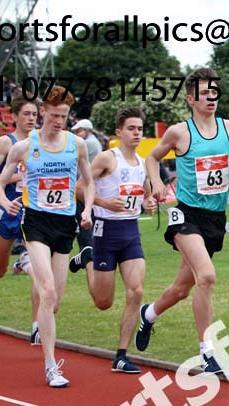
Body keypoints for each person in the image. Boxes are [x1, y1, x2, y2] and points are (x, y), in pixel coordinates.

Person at [137, 67, 229, 375]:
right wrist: (156, 182)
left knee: (180, 289)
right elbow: (152, 157)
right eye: (204, 93)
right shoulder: (179, 132)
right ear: (191, 99)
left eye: (214, 92)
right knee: (207, 276)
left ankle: (147, 314)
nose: (211, 98)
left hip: (214, 217)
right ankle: (207, 353)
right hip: (185, 215)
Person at [0, 85, 94, 387]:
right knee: (47, 292)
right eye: (55, 115)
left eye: (64, 115)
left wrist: (87, 209)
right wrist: (3, 200)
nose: (60, 120)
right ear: (44, 112)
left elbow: (89, 183)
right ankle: (51, 366)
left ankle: (32, 272)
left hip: (65, 223)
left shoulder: (77, 145)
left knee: (55, 301)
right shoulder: (24, 146)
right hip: (35, 222)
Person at [69, 107, 156, 373]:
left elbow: (145, 193)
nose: (137, 133)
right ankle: (87, 259)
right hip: (104, 233)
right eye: (131, 128)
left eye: (140, 129)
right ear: (119, 132)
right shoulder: (108, 158)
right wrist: (106, 203)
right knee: (103, 302)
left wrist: (149, 202)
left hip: (130, 233)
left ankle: (121, 355)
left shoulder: (141, 163)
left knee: (137, 291)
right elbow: (79, 189)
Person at [0, 97, 41, 342]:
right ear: (14, 116)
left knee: (39, 271)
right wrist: (15, 176)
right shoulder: (6, 142)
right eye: (26, 113)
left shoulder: (41, 142)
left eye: (34, 114)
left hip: (32, 212)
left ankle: (37, 326)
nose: (31, 118)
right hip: (7, 209)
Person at [69, 118, 101, 290]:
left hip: (82, 192)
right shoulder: (93, 143)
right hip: (88, 191)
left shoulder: (88, 144)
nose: (76, 134)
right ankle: (83, 256)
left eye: (78, 130)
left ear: (86, 130)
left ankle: (84, 255)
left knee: (85, 230)